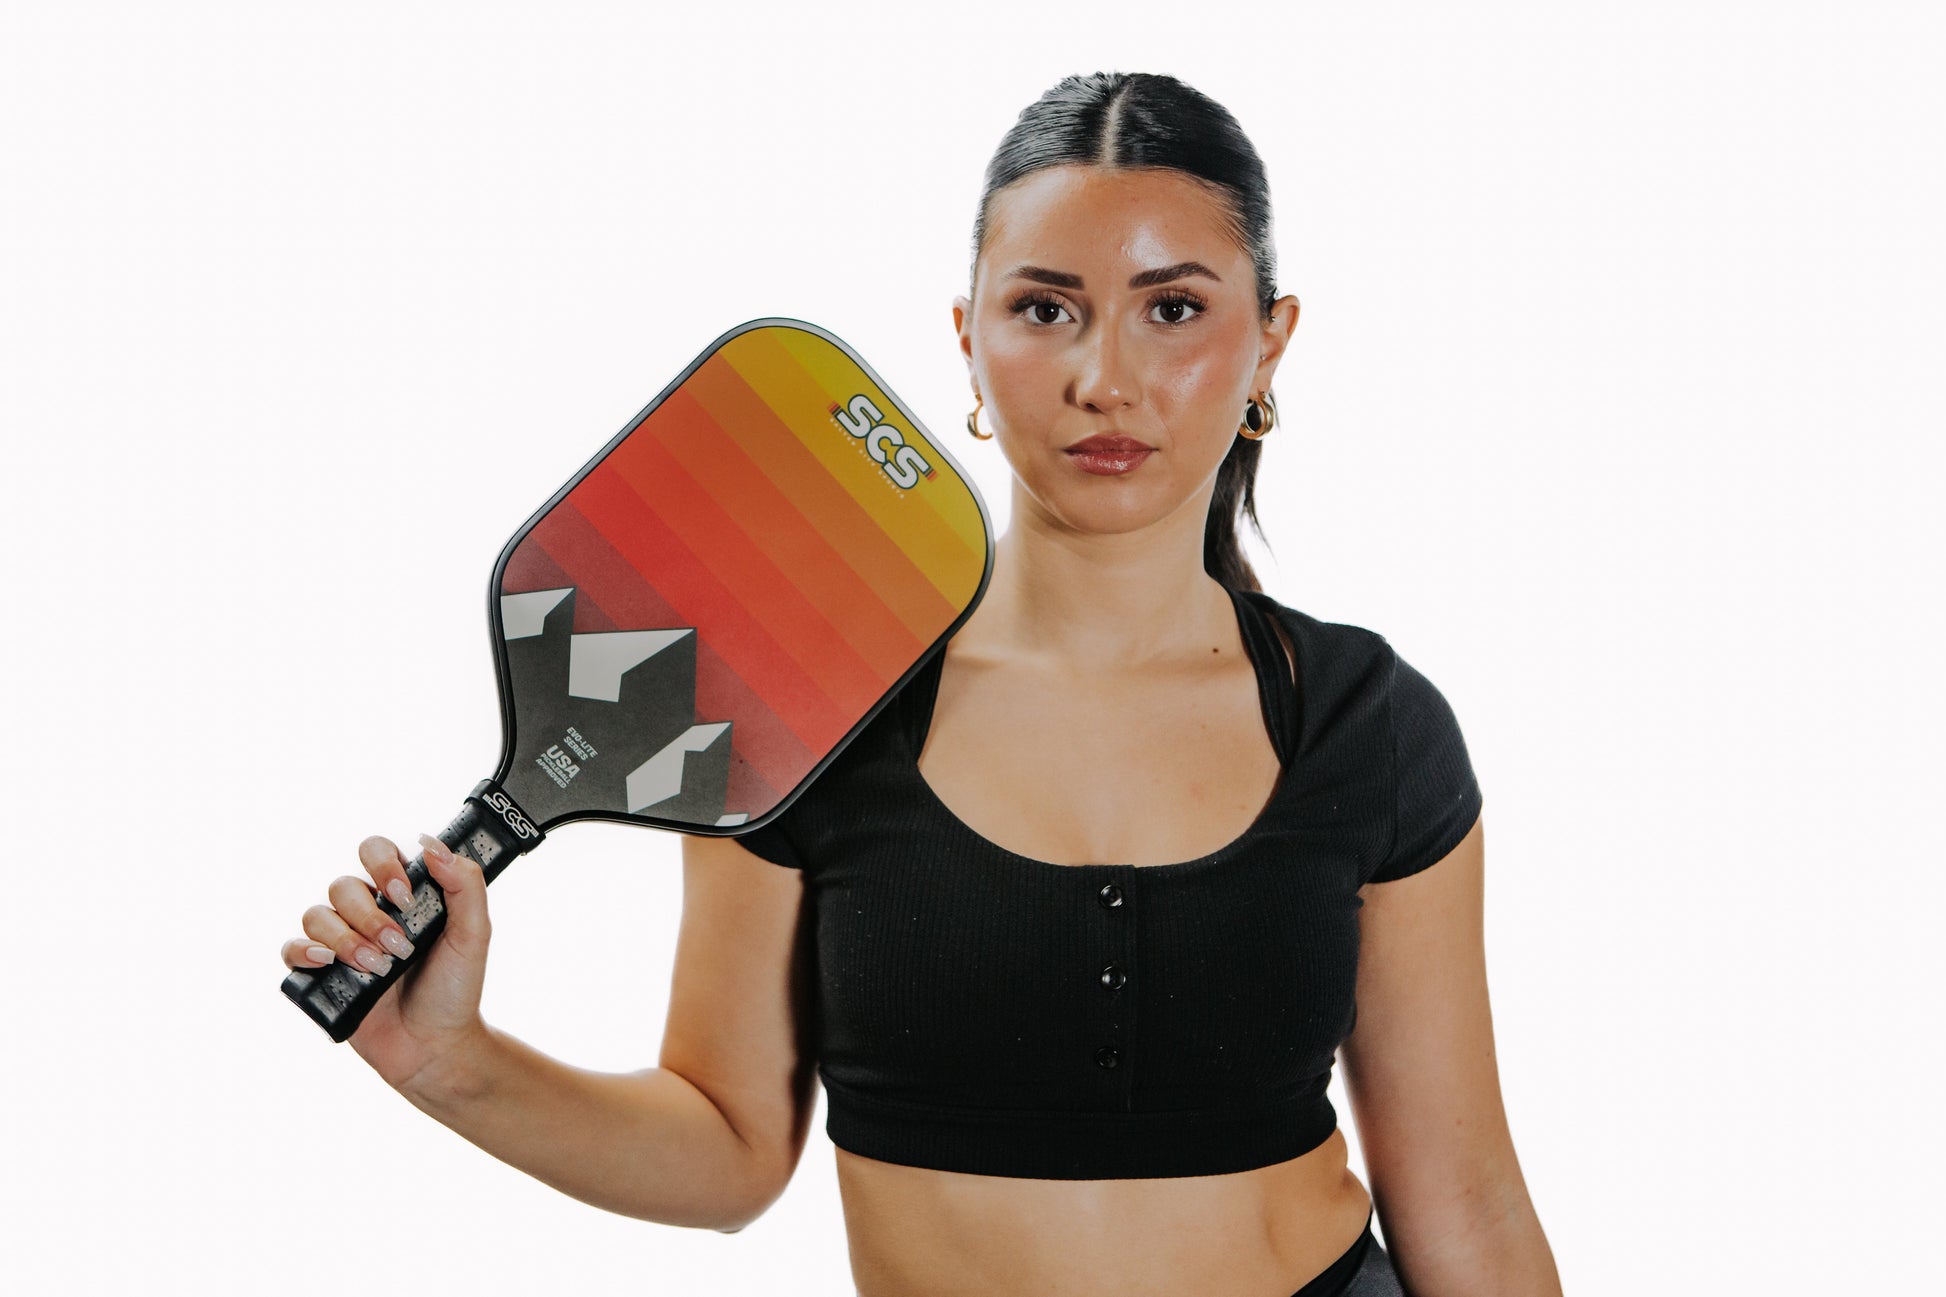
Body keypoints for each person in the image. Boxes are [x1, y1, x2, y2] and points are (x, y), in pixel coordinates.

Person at [281, 71, 1562, 1297]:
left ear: (1268, 342)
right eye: (1044, 310)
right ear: (967, 337)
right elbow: (727, 1148)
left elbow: (1464, 1200)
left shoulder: (1367, 723)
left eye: (1172, 309)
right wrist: (449, 1060)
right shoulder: (799, 702)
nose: (1102, 379)